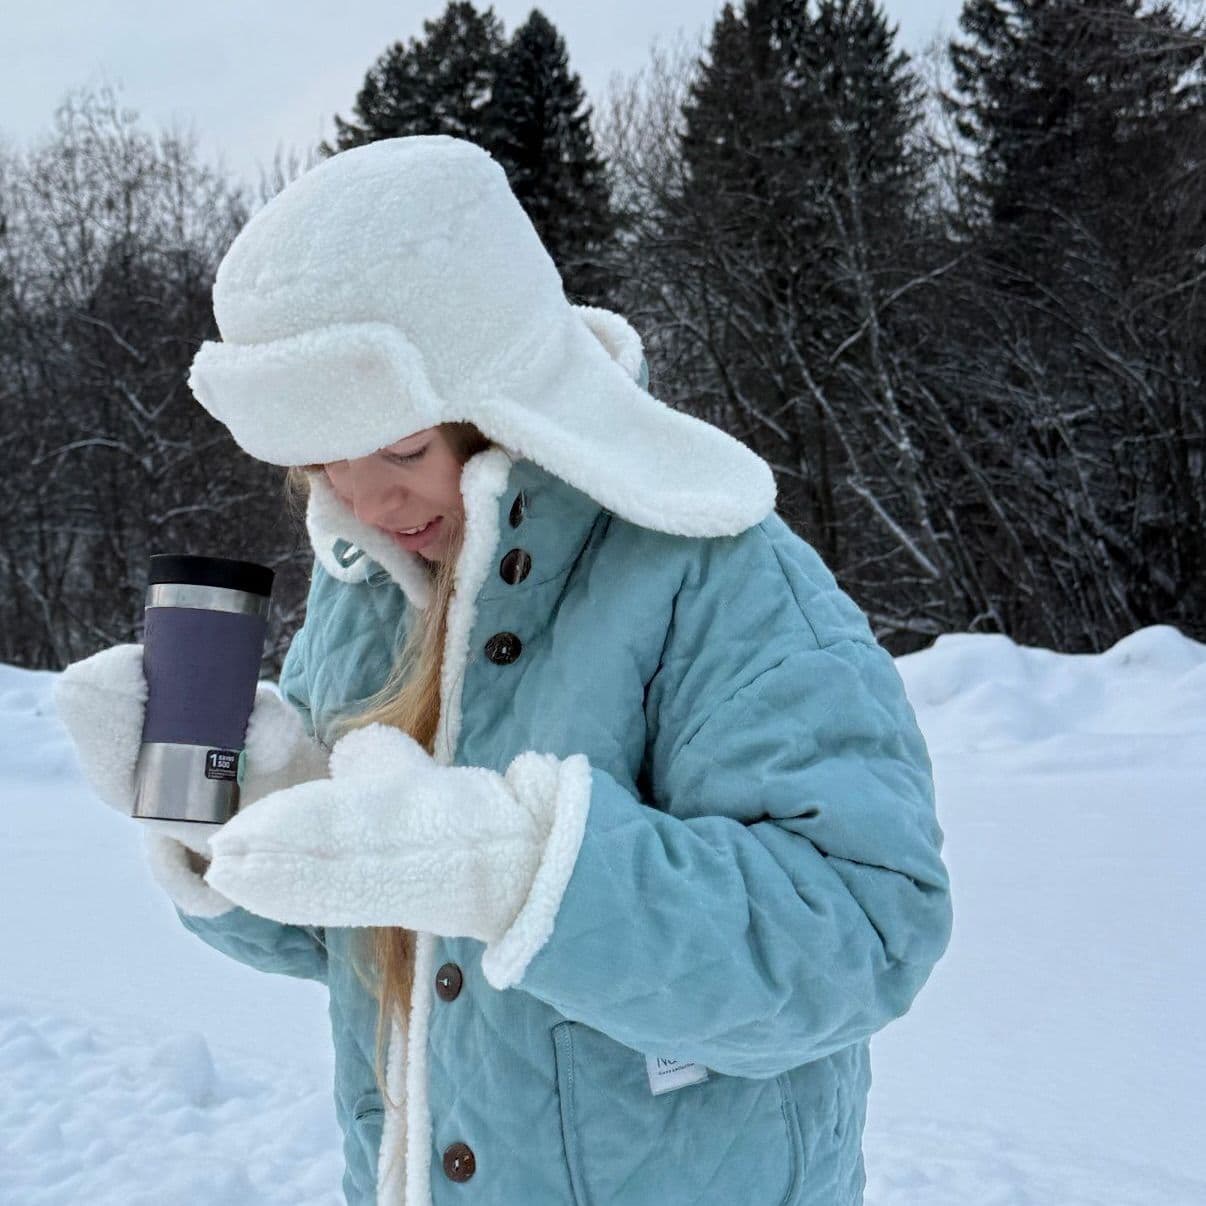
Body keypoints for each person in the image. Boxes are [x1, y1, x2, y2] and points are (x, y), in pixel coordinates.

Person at [55, 135, 953, 1206]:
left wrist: (519, 871)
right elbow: (366, 949)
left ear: (505, 396)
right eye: (326, 457)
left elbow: (859, 933)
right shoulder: (371, 590)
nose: (369, 500)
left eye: (397, 448)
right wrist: (253, 815)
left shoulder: (720, 576)